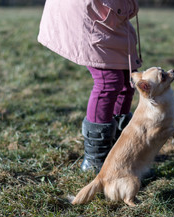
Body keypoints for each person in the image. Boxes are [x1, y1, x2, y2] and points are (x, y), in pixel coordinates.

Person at [37, 0, 142, 172]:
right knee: (109, 80)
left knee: (126, 82)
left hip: (110, 11)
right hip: (86, 12)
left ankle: (118, 151)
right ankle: (95, 160)